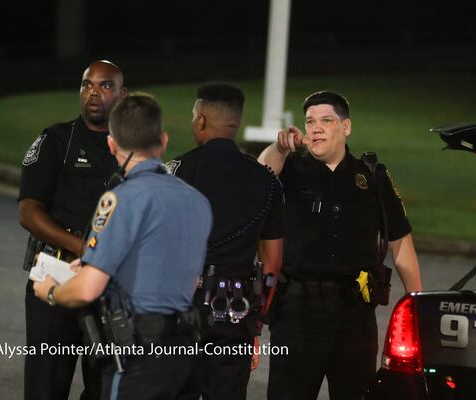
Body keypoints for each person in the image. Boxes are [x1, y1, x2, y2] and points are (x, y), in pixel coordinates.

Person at [32, 92, 213, 399]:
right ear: (164, 140)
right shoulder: (197, 200)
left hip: (140, 357)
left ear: (112, 144)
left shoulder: (122, 199)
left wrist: (50, 290)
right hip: (185, 354)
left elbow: (88, 289)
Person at [257, 90, 422, 400]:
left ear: (346, 127)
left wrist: (418, 309)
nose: (315, 127)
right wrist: (279, 148)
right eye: (310, 122)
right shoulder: (291, 169)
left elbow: (401, 245)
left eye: (326, 120)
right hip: (297, 314)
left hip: (354, 318)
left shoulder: (372, 176)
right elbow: (261, 173)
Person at [166, 82, 284, 400]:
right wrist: (256, 324)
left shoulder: (178, 172)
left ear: (201, 120)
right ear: (237, 122)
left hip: (183, 308)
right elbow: (272, 263)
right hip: (236, 311)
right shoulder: (267, 182)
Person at [18, 60, 126, 399]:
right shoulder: (55, 140)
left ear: (122, 94)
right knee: (45, 387)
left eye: (105, 85)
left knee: (104, 390)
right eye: (87, 84)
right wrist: (82, 248)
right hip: (56, 275)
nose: (93, 91)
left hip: (110, 287)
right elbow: (28, 211)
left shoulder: (130, 151)